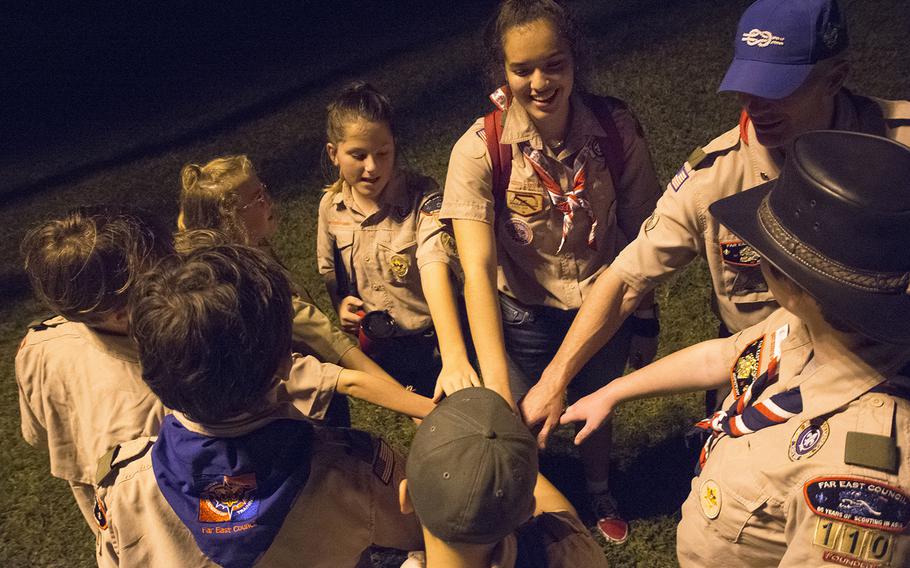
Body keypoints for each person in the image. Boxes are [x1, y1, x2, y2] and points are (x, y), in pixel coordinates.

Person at [528, 0, 910, 431]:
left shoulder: (902, 150)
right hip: (761, 364)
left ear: (834, 78)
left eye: (778, 89)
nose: (755, 107)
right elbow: (626, 280)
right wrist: (554, 378)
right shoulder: (712, 179)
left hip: (887, 371)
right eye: (748, 86)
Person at [561, 130, 910, 567]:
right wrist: (612, 392)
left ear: (792, 282)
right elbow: (728, 357)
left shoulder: (857, 482)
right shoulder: (821, 323)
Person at [439, 0, 661, 542]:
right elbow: (476, 266)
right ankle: (530, 514)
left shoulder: (615, 130)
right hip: (521, 317)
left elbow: (643, 234)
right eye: (522, 69)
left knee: (595, 406)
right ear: (503, 72)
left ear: (574, 60)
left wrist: (647, 318)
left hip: (602, 304)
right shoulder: (479, 150)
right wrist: (493, 380)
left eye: (554, 63)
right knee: (517, 426)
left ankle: (598, 486)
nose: (540, 81)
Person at [95, 242, 423, 567]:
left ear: (150, 372)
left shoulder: (123, 486)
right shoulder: (356, 467)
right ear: (285, 362)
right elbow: (418, 535)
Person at [178, 155, 433, 422]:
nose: (266, 200)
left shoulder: (234, 253)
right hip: (297, 407)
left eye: (262, 189)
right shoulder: (248, 283)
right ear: (229, 218)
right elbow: (330, 343)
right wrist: (413, 405)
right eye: (255, 199)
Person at [16, 206, 173, 530]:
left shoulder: (38, 345)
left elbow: (38, 435)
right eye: (162, 270)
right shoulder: (153, 400)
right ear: (120, 312)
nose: (178, 272)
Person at [317, 81, 475, 400]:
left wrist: (452, 351)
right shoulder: (330, 208)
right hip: (385, 344)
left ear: (394, 145)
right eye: (358, 155)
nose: (372, 167)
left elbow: (436, 265)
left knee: (459, 410)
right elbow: (329, 270)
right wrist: (341, 305)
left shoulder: (423, 198)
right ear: (334, 153)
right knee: (420, 410)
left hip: (436, 338)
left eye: (382, 153)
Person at [401, 387, 609, 567]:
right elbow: (562, 514)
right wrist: (509, 459)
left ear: (406, 498)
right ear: (527, 511)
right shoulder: (571, 553)